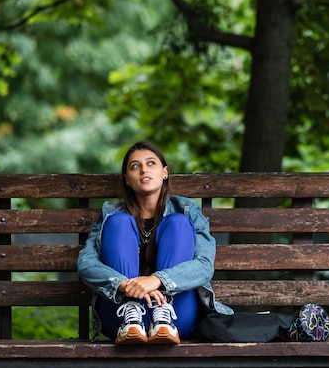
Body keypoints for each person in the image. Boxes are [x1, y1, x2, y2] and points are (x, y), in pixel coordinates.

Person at [77, 141, 233, 345]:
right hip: (120, 316)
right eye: (135, 166)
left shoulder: (187, 210)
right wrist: (124, 286)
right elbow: (86, 264)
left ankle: (162, 316)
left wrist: (158, 280)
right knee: (119, 223)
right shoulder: (110, 215)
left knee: (177, 223)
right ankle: (132, 313)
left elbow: (204, 266)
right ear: (127, 180)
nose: (143, 170)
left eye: (151, 163)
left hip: (176, 316)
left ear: (164, 172)